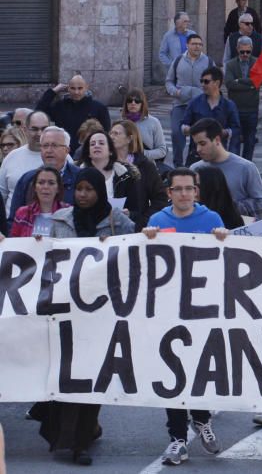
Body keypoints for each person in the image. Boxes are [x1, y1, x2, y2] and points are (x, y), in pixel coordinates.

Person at [39, 168, 135, 466]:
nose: (82, 194)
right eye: (78, 189)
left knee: (91, 378)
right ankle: (71, 434)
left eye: (88, 189)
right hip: (64, 312)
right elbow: (39, 255)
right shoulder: (58, 221)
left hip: (102, 314)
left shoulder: (119, 222)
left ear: (99, 192)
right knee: (65, 376)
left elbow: (136, 257)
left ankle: (78, 442)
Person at [143, 167, 226, 466]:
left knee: (199, 369)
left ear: (196, 191)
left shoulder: (212, 219)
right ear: (169, 193)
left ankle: (202, 420)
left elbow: (227, 260)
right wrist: (147, 239)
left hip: (203, 309)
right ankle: (177, 438)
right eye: (177, 189)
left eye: (188, 189)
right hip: (168, 309)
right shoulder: (157, 221)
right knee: (172, 372)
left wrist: (223, 239)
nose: (183, 194)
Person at [188, 118, 262, 219]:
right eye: (196, 144)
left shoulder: (246, 167)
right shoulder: (195, 169)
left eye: (203, 143)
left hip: (236, 230)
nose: (198, 149)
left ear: (217, 140)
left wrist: (229, 207)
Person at [165, 33, 215, 166]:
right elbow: (169, 81)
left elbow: (216, 82)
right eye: (194, 44)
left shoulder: (208, 62)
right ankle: (178, 164)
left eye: (199, 44)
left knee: (198, 136)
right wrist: (175, 91)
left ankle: (191, 165)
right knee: (176, 133)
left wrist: (207, 95)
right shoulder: (178, 61)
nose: (197, 47)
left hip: (201, 106)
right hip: (180, 104)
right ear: (187, 45)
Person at [108, 120, 168, 228]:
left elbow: (160, 199)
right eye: (111, 133)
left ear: (129, 139)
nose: (111, 137)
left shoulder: (145, 166)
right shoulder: (103, 163)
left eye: (116, 133)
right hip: (106, 226)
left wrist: (143, 221)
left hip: (135, 228)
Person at [76, 130, 144, 226]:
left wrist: (129, 214)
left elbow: (137, 211)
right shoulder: (77, 174)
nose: (96, 146)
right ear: (88, 152)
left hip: (116, 228)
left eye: (101, 143)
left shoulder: (125, 176)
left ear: (111, 151)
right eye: (92, 144)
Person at [7, 125, 77, 218]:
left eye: (54, 145)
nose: (49, 150)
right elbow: (14, 220)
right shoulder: (28, 179)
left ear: (67, 150)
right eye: (45, 146)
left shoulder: (80, 177)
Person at [35, 75, 111, 154]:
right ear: (68, 88)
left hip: (88, 155)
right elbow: (38, 113)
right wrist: (53, 91)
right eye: (73, 88)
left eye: (80, 88)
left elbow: (106, 134)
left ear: (86, 87)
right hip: (63, 153)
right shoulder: (60, 106)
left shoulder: (99, 108)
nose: (76, 92)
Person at [180, 65, 240, 163]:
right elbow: (183, 125)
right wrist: (191, 130)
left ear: (217, 83)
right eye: (201, 81)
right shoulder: (194, 103)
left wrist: (224, 132)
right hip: (197, 154)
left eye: (206, 81)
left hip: (219, 154)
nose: (203, 84)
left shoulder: (228, 105)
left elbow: (236, 129)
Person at [224, 35, 262, 160]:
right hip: (235, 109)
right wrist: (249, 85)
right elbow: (229, 84)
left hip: (251, 109)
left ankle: (247, 167)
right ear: (237, 49)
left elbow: (258, 82)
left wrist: (239, 81)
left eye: (248, 51)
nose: (245, 54)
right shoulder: (230, 65)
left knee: (250, 142)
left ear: (251, 48)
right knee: (234, 141)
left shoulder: (257, 63)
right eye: (242, 51)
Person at [120, 88, 167, 163]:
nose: (133, 103)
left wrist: (142, 154)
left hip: (145, 165)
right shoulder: (120, 122)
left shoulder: (153, 122)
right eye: (129, 101)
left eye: (137, 101)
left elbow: (162, 150)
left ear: (142, 103)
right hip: (122, 165)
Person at [193, 165, 244, 230]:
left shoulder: (232, 217)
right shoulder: (188, 209)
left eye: (198, 186)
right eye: (191, 186)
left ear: (211, 187)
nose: (193, 190)